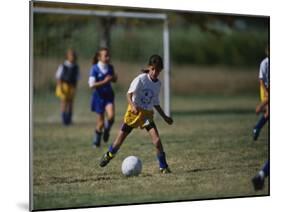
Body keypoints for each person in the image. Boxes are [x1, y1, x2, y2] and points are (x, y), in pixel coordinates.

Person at [99, 55, 173, 174]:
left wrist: (165, 117)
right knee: (119, 140)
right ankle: (109, 154)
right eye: (153, 69)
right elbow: (128, 95)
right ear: (149, 67)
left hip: (147, 115)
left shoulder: (158, 84)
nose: (155, 72)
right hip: (134, 113)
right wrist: (133, 105)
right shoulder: (140, 79)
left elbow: (155, 102)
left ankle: (163, 166)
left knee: (157, 141)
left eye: (158, 70)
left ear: (161, 70)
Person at [88, 48, 117, 147]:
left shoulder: (110, 67)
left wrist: (114, 78)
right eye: (105, 56)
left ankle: (107, 130)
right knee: (100, 123)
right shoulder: (94, 68)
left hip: (108, 96)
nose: (108, 57)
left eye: (109, 55)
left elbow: (114, 80)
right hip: (99, 97)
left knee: (111, 117)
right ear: (99, 57)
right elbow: (91, 85)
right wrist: (104, 81)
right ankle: (96, 142)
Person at [55, 48, 80, 125]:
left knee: (70, 102)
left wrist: (75, 87)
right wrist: (60, 86)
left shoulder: (76, 67)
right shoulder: (63, 66)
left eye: (73, 55)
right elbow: (58, 77)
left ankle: (69, 119)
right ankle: (64, 119)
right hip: (64, 85)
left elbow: (77, 78)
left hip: (72, 86)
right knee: (64, 102)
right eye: (70, 55)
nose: (72, 57)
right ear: (67, 56)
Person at [253, 46, 269, 140]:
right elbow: (261, 80)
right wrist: (266, 91)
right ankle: (259, 108)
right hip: (265, 89)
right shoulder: (264, 63)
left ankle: (257, 128)